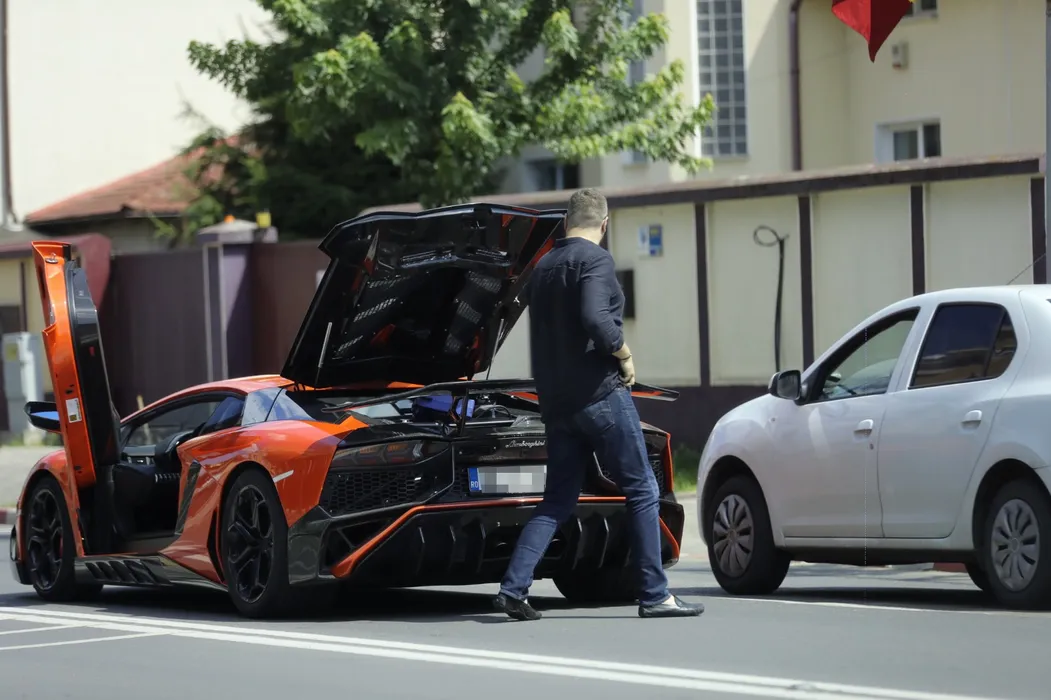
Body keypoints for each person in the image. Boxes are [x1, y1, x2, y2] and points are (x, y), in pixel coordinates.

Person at [493, 188, 704, 621]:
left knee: (557, 500)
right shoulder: (596, 260)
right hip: (599, 395)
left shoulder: (542, 268)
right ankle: (655, 595)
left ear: (565, 222)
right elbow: (594, 316)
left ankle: (513, 589)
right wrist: (623, 353)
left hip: (556, 403)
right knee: (642, 489)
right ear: (604, 224)